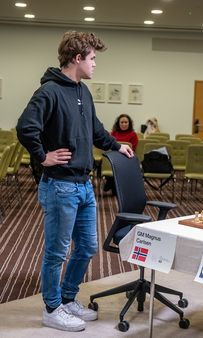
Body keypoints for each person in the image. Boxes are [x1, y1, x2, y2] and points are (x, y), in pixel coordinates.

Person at [16, 31, 133, 332]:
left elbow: (96, 131)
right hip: (60, 186)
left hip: (84, 185)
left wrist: (116, 145)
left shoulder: (83, 91)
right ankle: (52, 308)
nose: (95, 64)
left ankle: (68, 298)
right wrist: (43, 156)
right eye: (93, 58)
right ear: (77, 58)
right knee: (58, 251)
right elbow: (25, 127)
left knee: (88, 247)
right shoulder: (50, 92)